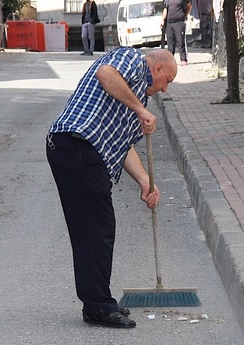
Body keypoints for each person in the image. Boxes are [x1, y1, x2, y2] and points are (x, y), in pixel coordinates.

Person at [46, 48, 178, 328]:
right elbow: (105, 73)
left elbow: (123, 145)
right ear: (156, 69)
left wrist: (146, 182)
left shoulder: (135, 98)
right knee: (97, 229)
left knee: (95, 229)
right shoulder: (131, 60)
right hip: (76, 145)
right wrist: (140, 109)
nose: (165, 89)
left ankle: (97, 302)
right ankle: (98, 306)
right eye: (167, 80)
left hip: (82, 152)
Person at [161, 0, 192, 65]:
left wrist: (185, 15)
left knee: (180, 41)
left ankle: (183, 59)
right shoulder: (167, 0)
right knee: (170, 43)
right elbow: (165, 9)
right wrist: (163, 20)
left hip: (179, 22)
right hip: (169, 23)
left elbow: (189, 6)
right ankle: (170, 60)